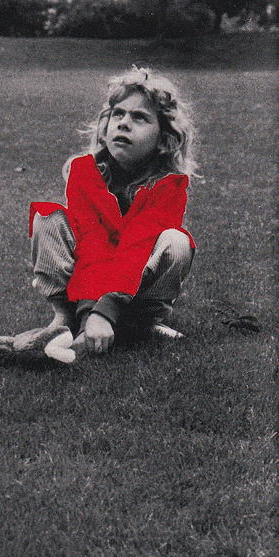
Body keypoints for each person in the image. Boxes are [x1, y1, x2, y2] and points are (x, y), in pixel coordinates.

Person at [27, 65, 197, 355]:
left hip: (136, 283)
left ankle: (143, 322)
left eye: (140, 117)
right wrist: (88, 315)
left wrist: (105, 310)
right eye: (118, 114)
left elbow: (137, 246)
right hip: (85, 283)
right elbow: (92, 243)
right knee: (49, 217)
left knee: (176, 241)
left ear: (163, 139)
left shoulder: (169, 186)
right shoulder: (84, 172)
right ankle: (65, 317)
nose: (124, 123)